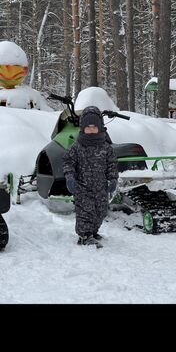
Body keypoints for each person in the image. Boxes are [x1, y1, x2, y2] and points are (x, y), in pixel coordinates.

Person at [62, 106, 118, 248]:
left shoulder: (106, 147)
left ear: (100, 128)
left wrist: (113, 178)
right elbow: (68, 162)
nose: (91, 130)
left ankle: (93, 231)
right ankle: (84, 236)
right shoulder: (77, 147)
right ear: (82, 128)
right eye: (88, 127)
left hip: (101, 187)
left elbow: (111, 164)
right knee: (86, 211)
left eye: (94, 127)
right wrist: (69, 176)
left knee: (101, 210)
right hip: (83, 187)